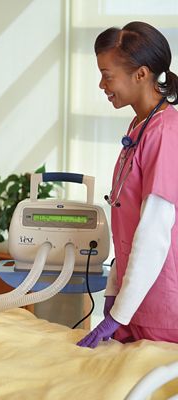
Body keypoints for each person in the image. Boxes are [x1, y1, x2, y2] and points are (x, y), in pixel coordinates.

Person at [77, 21, 178, 348]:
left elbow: (154, 232)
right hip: (135, 303)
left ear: (141, 74)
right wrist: (113, 290)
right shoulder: (139, 127)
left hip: (162, 309)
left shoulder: (166, 133)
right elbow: (127, 222)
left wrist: (118, 313)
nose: (101, 84)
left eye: (107, 75)